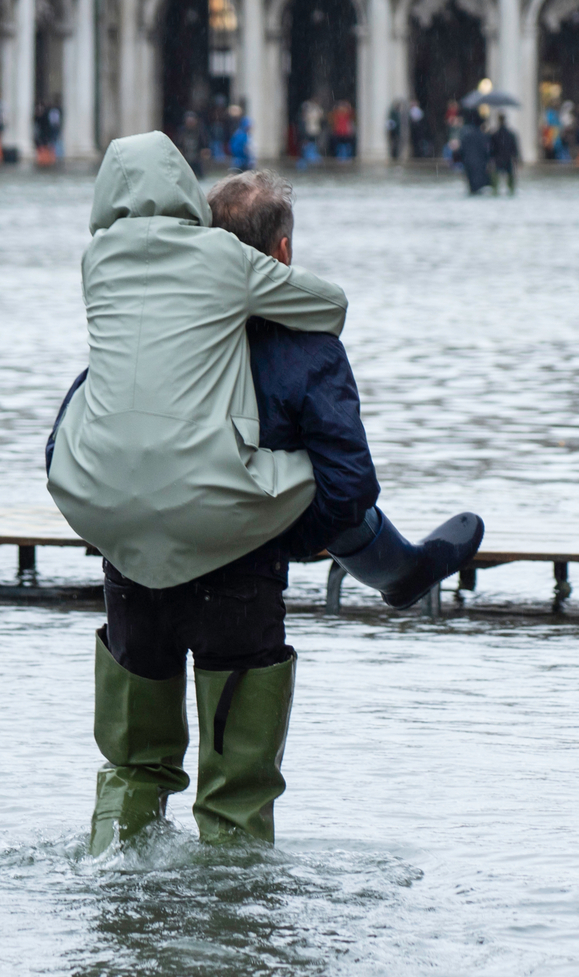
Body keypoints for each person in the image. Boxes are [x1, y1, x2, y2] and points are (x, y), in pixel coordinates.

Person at [46, 136, 482, 853]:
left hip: (130, 560)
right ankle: (236, 938)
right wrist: (292, 537)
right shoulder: (304, 347)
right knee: (236, 794)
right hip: (237, 570)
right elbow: (346, 486)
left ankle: (111, 880)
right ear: (276, 253)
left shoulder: (116, 285)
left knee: (131, 766)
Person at [456, 114, 491, 194]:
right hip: (480, 163)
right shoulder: (483, 136)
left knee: (472, 186)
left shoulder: (466, 136)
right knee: (480, 186)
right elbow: (487, 150)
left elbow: (461, 150)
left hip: (468, 163)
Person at [490, 112, 520, 195]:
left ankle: (496, 192)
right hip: (507, 159)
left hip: (498, 159)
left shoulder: (495, 134)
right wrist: (517, 160)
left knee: (495, 184)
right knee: (511, 184)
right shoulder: (510, 134)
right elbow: (515, 149)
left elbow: (491, 150)